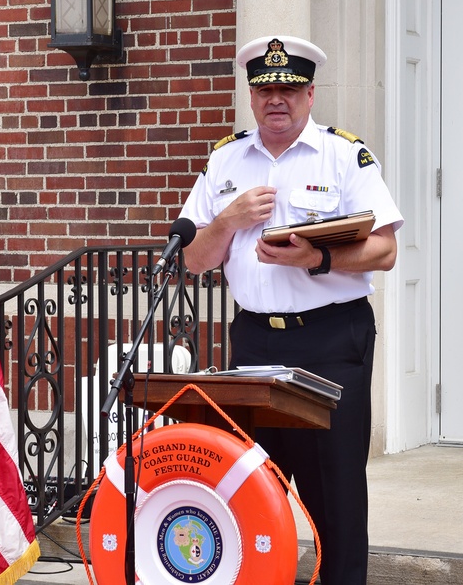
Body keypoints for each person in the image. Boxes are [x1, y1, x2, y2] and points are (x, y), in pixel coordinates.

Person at [179, 35, 403, 584]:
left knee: (336, 486)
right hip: (256, 342)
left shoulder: (345, 155)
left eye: (288, 89)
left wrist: (318, 257)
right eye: (264, 89)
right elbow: (192, 259)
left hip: (332, 341)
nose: (275, 99)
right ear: (252, 97)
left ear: (309, 94)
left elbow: (386, 250)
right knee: (256, 481)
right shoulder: (224, 160)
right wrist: (227, 219)